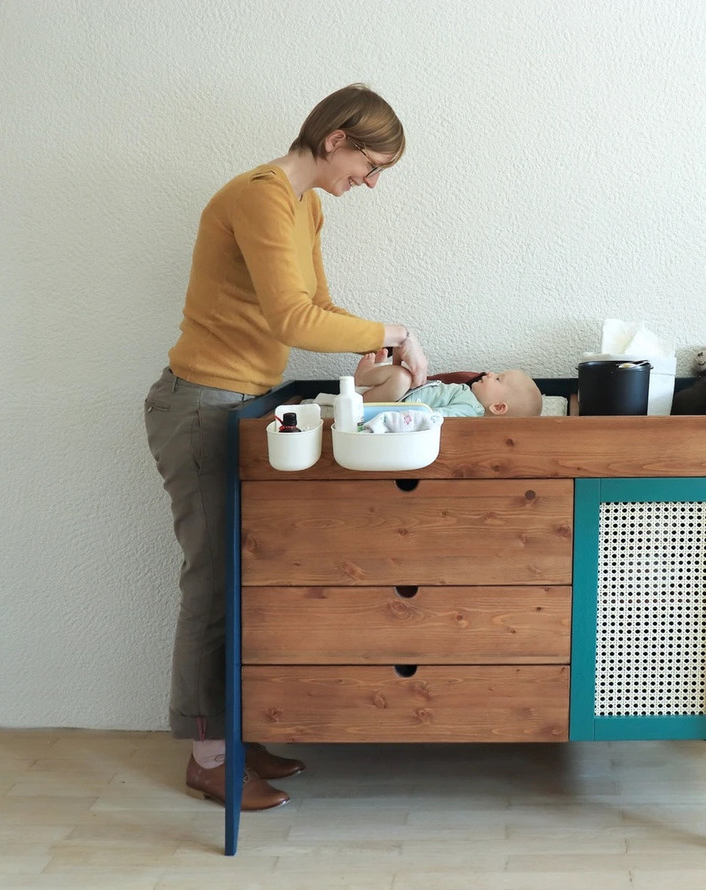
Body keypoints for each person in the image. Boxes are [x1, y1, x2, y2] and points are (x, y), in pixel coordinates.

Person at [143, 84, 428, 811]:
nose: (368, 183)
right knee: (210, 584)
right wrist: (388, 332)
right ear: (336, 138)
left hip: (242, 404)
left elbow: (321, 308)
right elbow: (293, 318)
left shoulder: (306, 206)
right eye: (370, 165)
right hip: (202, 405)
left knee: (246, 576)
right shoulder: (259, 195)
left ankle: (235, 733)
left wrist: (371, 353)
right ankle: (209, 757)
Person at [353, 350, 542, 417]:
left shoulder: (470, 409)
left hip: (397, 406)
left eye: (499, 378)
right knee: (405, 378)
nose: (491, 373)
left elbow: (439, 416)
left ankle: (364, 376)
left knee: (401, 378)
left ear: (498, 407)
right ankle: (373, 377)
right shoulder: (469, 397)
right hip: (396, 399)